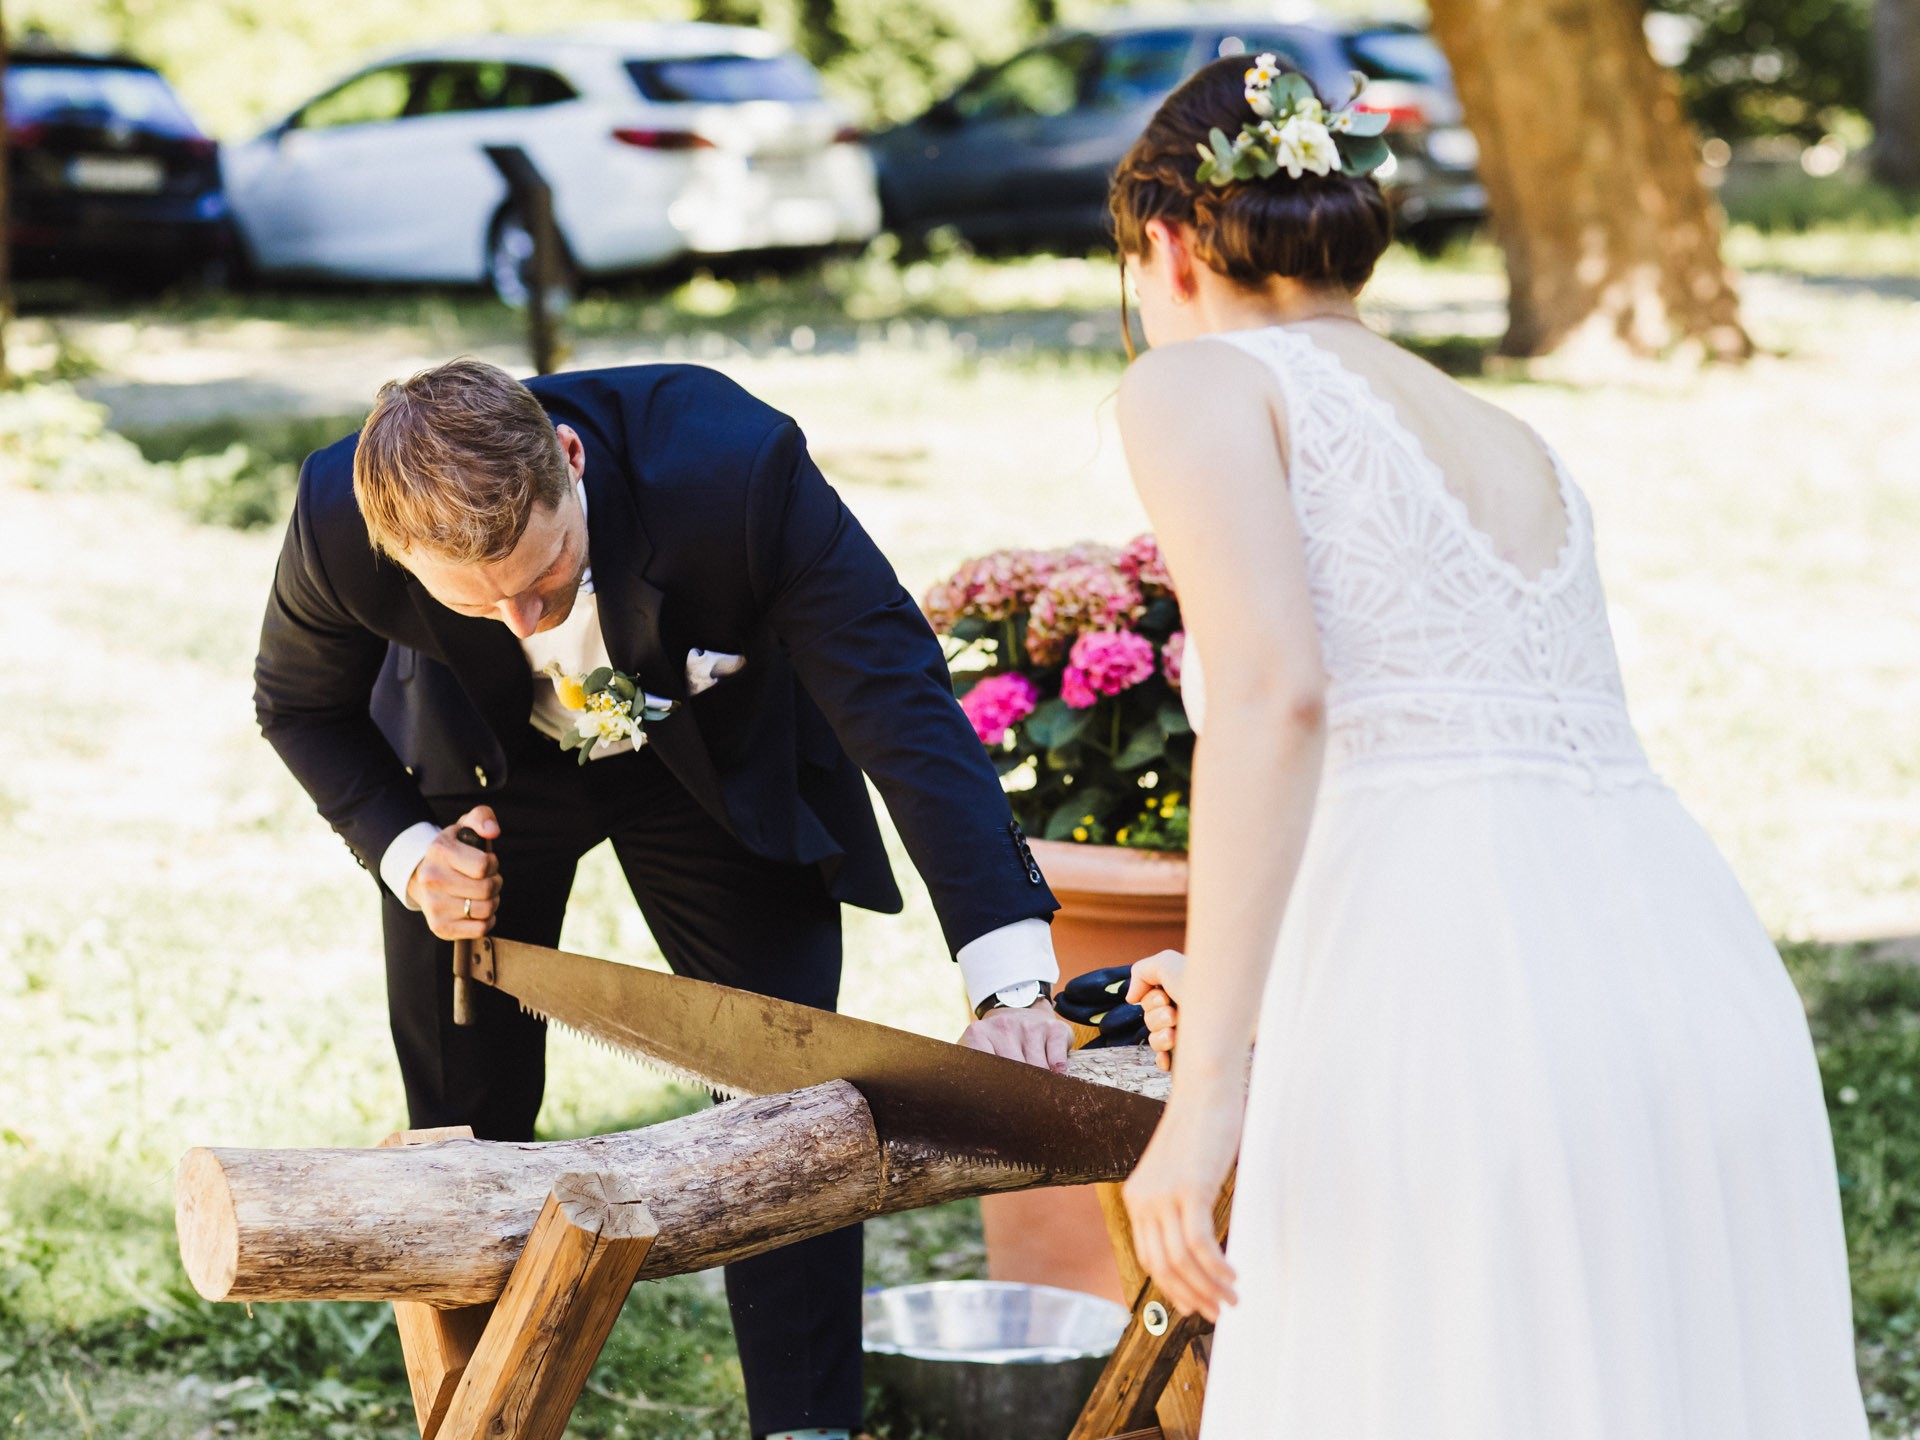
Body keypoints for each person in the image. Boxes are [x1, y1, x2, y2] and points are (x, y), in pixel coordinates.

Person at [1108, 55, 1871, 1438]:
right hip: (1690, 981)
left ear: (1164, 241)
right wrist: (1240, 987)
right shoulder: (1510, 431)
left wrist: (1205, 1093)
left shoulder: (1200, 382)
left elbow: (1281, 699)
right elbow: (1467, 755)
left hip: (1454, 1008)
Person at [252, 357, 1076, 1440]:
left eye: (546, 574)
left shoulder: (736, 470)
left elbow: (901, 707)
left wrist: (1010, 981)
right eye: (477, 600)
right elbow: (298, 705)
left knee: (793, 1099)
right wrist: (411, 854)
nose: (524, 619)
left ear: (571, 460)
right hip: (482, 777)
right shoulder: (338, 514)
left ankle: (807, 1426)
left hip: (711, 768)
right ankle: (479, 1414)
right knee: (464, 1122)